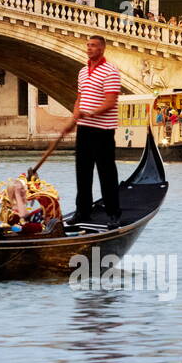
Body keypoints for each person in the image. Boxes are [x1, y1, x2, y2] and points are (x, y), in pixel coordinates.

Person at [65, 35, 122, 229]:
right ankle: (82, 212)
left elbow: (110, 101)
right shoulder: (82, 72)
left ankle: (113, 213)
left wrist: (89, 113)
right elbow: (79, 98)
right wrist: (74, 118)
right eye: (88, 45)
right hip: (84, 129)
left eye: (94, 45)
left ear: (102, 48)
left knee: (106, 173)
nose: (89, 48)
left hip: (103, 130)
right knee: (83, 172)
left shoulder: (111, 71)